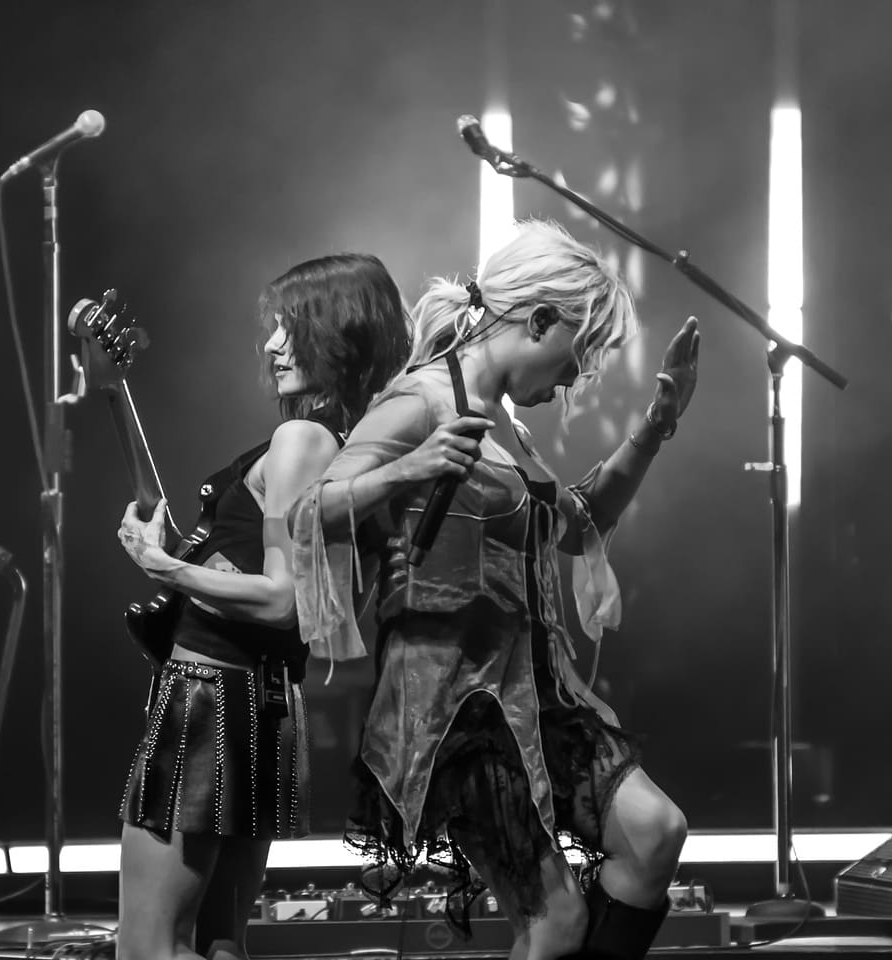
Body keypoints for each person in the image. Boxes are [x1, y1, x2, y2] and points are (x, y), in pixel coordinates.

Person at [290, 219, 699, 960]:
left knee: (654, 833)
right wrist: (408, 470)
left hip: (537, 693)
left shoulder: (507, 427)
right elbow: (309, 510)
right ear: (538, 321)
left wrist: (655, 429)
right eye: (575, 356)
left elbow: (575, 523)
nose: (572, 379)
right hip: (457, 706)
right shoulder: (419, 399)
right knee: (554, 921)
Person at [114, 253, 411, 960]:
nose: (273, 345)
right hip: (261, 703)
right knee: (218, 943)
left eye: (291, 327)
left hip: (210, 697)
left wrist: (161, 566)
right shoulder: (357, 450)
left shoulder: (301, 439)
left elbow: (282, 602)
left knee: (149, 946)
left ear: (340, 336)